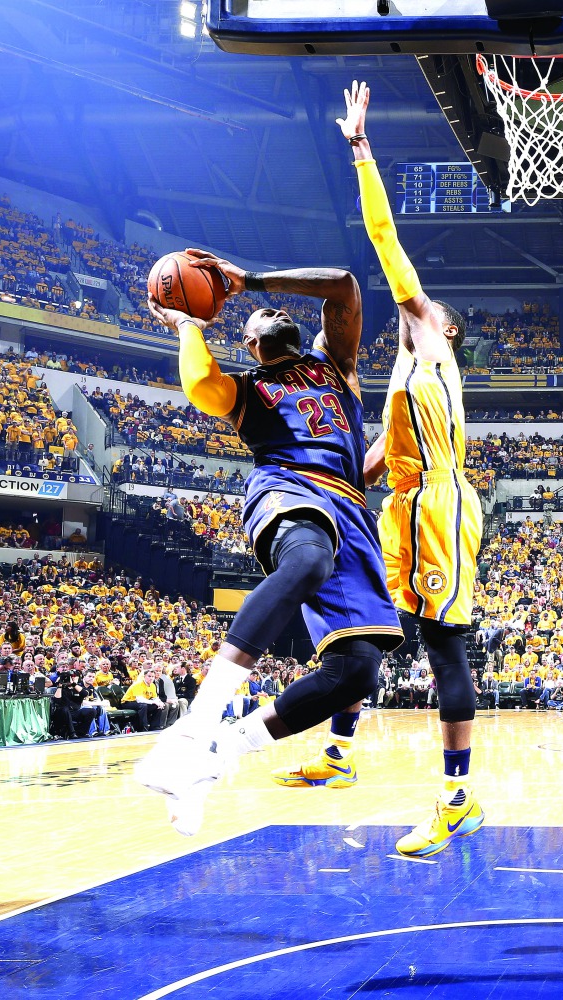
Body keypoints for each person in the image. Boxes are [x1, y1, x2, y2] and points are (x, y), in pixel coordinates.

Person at [135, 254, 403, 835]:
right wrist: (188, 326)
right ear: (251, 342)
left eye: (278, 307)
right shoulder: (247, 389)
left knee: (358, 672)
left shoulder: (335, 365)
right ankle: (194, 727)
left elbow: (344, 284)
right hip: (288, 486)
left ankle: (215, 757)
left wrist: (248, 280)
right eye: (259, 314)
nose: (275, 310)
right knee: (307, 560)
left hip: (352, 510)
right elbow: (202, 385)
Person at [340, 80, 484, 857]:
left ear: (442, 328)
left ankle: (456, 798)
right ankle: (336, 749)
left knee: (441, 650)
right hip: (402, 500)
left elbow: (386, 243)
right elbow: (366, 468)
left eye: (421, 307)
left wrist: (363, 151)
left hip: (438, 504)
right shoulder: (398, 378)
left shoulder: (432, 344)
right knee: (363, 621)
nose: (408, 308)